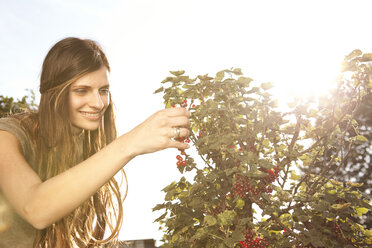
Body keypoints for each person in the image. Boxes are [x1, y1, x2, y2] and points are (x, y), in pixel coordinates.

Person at [0, 37, 190, 248]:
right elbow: (35, 209)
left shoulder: (86, 149)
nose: (99, 104)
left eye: (103, 90)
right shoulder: (7, 136)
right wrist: (131, 143)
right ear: (54, 93)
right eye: (82, 90)